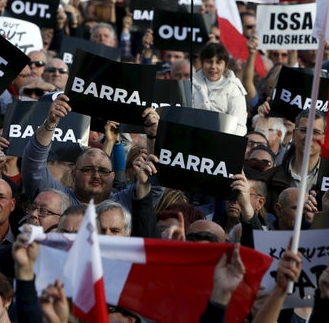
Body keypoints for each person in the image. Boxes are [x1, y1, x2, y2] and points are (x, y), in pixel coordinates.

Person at [19, 94, 158, 211]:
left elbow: (155, 186)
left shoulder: (123, 204)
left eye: (104, 171)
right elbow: (33, 165)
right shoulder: (58, 198)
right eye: (88, 169)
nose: (96, 175)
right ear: (73, 173)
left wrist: (152, 136)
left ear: (113, 176)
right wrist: (50, 123)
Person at [191, 42, 248, 135]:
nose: (213, 67)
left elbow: (240, 125)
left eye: (218, 62)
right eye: (209, 61)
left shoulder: (234, 88)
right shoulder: (191, 84)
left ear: (226, 65)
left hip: (223, 140)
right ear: (202, 62)